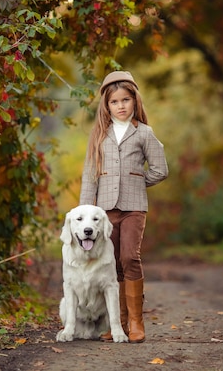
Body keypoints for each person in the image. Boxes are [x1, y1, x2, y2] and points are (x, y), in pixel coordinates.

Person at [79, 70, 169, 343]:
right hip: (104, 211)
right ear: (106, 106)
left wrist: (138, 182)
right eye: (115, 102)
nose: (121, 106)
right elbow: (89, 174)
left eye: (126, 100)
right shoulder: (99, 135)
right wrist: (85, 212)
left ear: (134, 101)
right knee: (111, 263)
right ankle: (117, 324)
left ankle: (136, 322)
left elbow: (160, 169)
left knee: (129, 257)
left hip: (133, 207)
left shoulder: (144, 133)